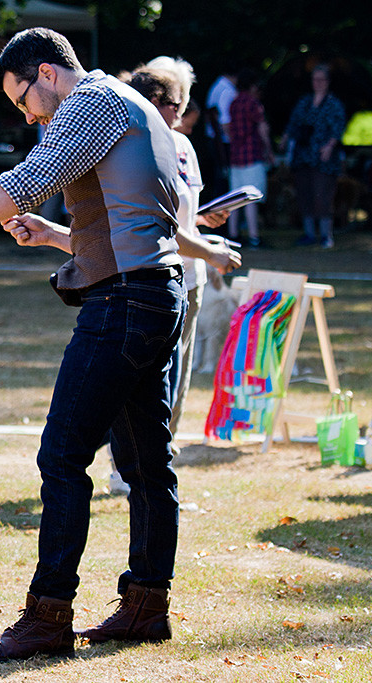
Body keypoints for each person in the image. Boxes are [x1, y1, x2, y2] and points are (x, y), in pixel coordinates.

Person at [0, 27, 191, 661]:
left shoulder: (92, 100)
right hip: (157, 293)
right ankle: (147, 605)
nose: (29, 115)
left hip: (124, 304)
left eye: (23, 99)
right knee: (146, 462)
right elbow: (132, 221)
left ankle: (48, 616)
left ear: (48, 73)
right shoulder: (132, 105)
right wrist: (58, 235)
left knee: (61, 455)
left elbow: (30, 178)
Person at [129, 60, 240, 456]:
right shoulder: (136, 147)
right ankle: (129, 467)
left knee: (177, 383)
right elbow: (157, 225)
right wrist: (211, 251)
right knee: (146, 381)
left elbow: (183, 213)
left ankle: (160, 460)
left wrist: (205, 220)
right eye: (175, 104)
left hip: (190, 278)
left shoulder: (183, 146)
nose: (181, 113)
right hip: (152, 275)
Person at [281, 65, 347, 248]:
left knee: (323, 196)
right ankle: (309, 233)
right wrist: (285, 139)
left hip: (323, 159)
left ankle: (326, 235)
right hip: (303, 157)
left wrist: (329, 146)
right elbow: (293, 123)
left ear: (328, 82)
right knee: (305, 195)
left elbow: (338, 128)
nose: (317, 83)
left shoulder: (333, 104)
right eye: (315, 79)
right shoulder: (305, 102)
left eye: (321, 80)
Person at [226, 68, 273, 248]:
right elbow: (262, 128)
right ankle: (254, 237)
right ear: (252, 85)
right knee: (252, 198)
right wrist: (269, 150)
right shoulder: (253, 103)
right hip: (252, 156)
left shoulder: (233, 103)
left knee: (234, 199)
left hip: (235, 157)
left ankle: (233, 236)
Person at [202, 70, 236, 198]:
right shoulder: (227, 90)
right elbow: (224, 120)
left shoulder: (216, 86)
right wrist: (233, 142)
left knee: (220, 177)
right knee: (223, 179)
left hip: (214, 138)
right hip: (222, 141)